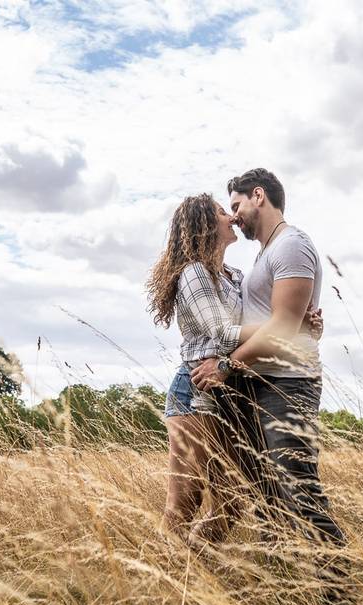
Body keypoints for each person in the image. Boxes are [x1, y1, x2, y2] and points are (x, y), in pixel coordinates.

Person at [145, 193, 322, 543]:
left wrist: (302, 323)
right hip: (195, 388)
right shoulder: (194, 274)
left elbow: (263, 324)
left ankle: (197, 573)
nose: (232, 218)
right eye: (223, 212)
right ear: (205, 225)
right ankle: (162, 578)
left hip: (227, 388)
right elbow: (223, 335)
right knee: (185, 499)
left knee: (232, 502)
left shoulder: (234, 275)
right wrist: (292, 324)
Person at [190, 168, 346, 548]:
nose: (234, 215)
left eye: (236, 205)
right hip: (257, 385)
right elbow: (275, 320)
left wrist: (226, 365)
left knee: (299, 493)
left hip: (287, 384)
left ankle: (340, 603)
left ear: (258, 195)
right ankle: (284, 594)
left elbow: (281, 328)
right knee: (268, 500)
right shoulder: (264, 254)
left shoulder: (291, 245)